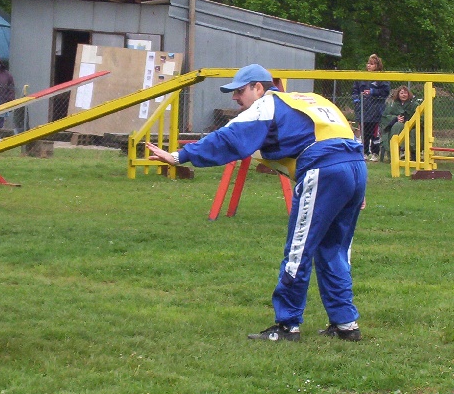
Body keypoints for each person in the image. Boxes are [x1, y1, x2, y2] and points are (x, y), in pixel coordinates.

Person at [146, 64, 367, 342]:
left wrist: (179, 156)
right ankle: (346, 324)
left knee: (298, 251)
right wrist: (354, 187)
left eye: (240, 91)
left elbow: (228, 138)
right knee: (335, 248)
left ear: (258, 88)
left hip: (324, 169)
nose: (235, 98)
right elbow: (346, 137)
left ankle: (287, 326)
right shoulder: (312, 100)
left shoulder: (268, 103)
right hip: (355, 167)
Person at [352, 54, 390, 161]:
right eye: (368, 63)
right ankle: (364, 152)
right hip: (363, 110)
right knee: (364, 133)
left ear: (377, 66)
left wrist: (372, 92)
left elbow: (385, 91)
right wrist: (357, 101)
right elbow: (355, 91)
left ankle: (375, 153)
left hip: (376, 111)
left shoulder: (381, 78)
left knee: (375, 134)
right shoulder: (361, 77)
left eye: (372, 64)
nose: (369, 65)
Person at [380, 85, 422, 160]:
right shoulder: (393, 104)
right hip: (394, 127)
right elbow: (385, 116)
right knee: (397, 126)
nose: (404, 95)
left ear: (408, 94)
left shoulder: (414, 104)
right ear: (398, 94)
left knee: (406, 129)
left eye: (405, 93)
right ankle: (393, 155)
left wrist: (407, 121)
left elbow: (420, 117)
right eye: (402, 93)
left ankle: (412, 155)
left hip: (411, 127)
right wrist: (396, 118)